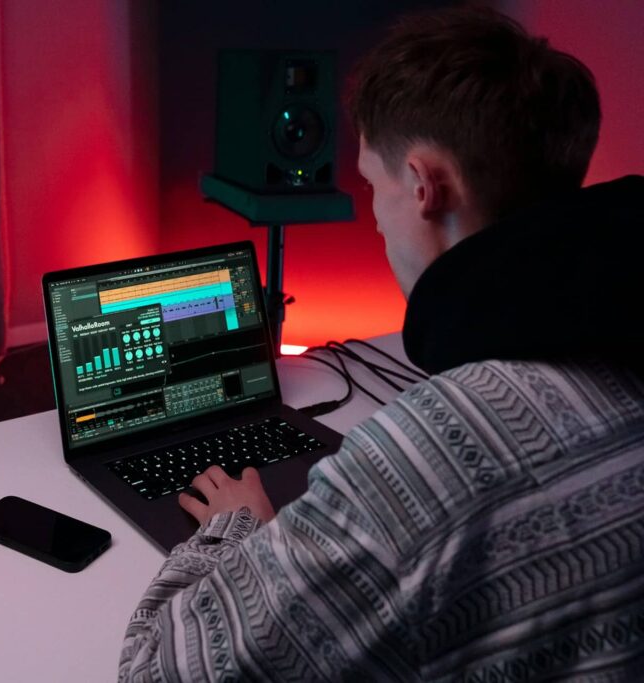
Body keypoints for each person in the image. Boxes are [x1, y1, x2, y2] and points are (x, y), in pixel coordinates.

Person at [119, 6, 644, 681]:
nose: (372, 216)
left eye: (372, 183)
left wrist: (236, 531)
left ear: (424, 186)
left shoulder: (429, 463)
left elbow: (155, 671)